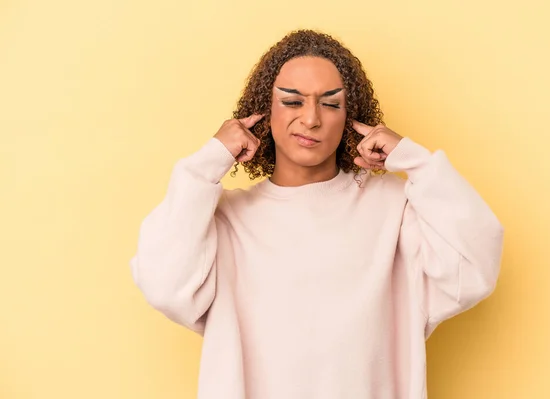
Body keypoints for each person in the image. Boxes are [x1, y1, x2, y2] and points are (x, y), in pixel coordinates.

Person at [129, 29, 504, 399]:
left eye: (331, 103)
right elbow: (165, 286)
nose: (311, 119)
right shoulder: (225, 220)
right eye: (292, 101)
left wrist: (417, 162)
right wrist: (203, 166)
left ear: (351, 116)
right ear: (262, 111)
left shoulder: (395, 207)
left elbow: (472, 271)